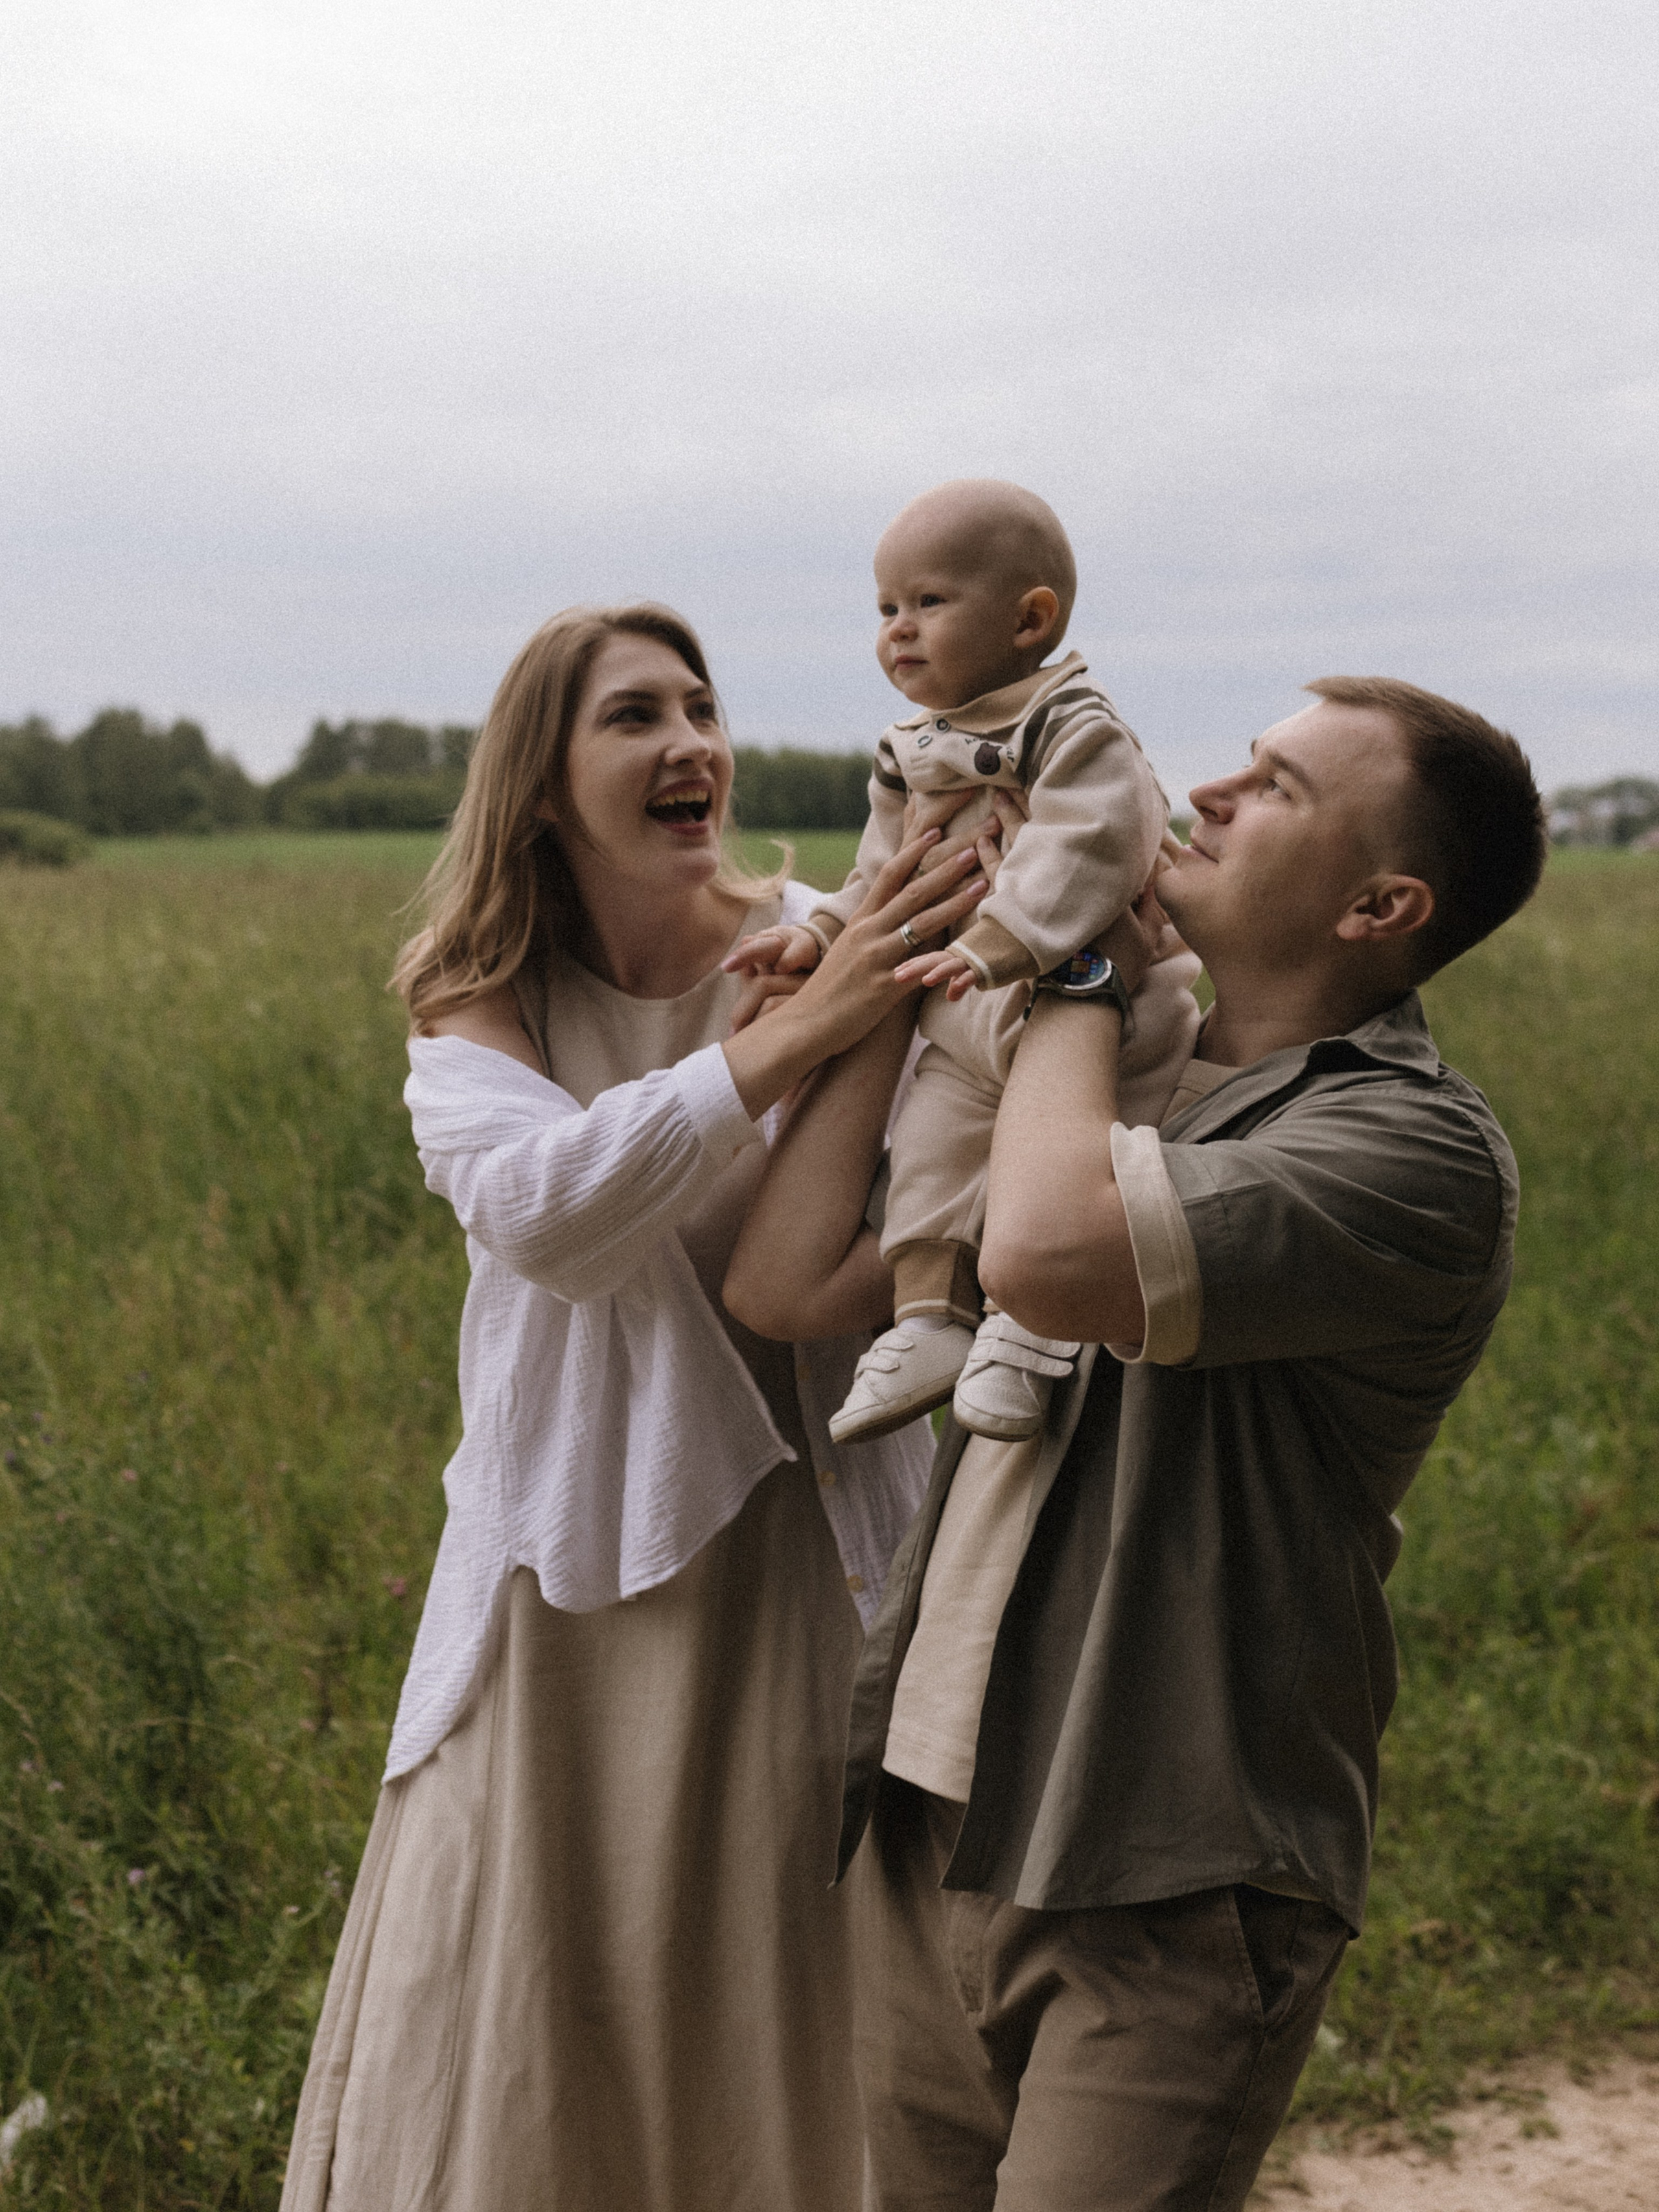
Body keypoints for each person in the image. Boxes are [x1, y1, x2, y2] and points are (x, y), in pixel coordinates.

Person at [725, 675, 1548, 2211]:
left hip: (1167, 1865)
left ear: (1380, 905)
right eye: (1237, 762)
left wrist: (1071, 961)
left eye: (1278, 788)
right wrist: (877, 980)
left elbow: (1042, 1251)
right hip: (931, 1814)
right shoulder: (1120, 1093)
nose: (1215, 792)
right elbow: (782, 1285)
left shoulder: (1405, 1151)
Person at [279, 602, 992, 2212]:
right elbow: (550, 1216)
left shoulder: (835, 927)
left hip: (812, 1561)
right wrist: (793, 1042)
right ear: (542, 786)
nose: (691, 747)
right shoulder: (479, 998)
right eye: (632, 718)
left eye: (700, 708)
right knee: (532, 2003)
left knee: (790, 1997)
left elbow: (946, 1177)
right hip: (563, 1590)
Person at [725, 480, 1199, 1449]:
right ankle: (930, 1319)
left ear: (1032, 619)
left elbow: (1094, 841)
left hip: (1084, 1005)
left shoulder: (1071, 723)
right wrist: (818, 939)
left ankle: (1031, 1331)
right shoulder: (912, 751)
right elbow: (878, 872)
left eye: (928, 602)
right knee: (935, 1151)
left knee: (1078, 1161)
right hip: (965, 1014)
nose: (898, 630)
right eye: (885, 609)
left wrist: (995, 939)